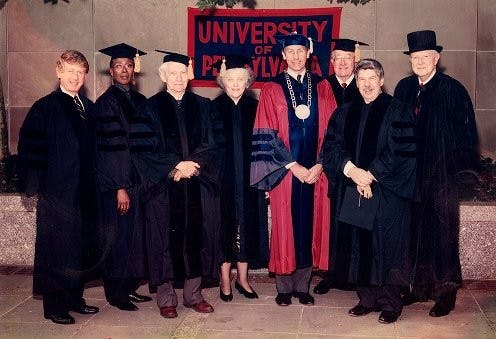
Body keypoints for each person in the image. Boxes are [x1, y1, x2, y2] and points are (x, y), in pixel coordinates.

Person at [322, 58, 416, 324]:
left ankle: (390, 303)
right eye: (361, 79)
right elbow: (331, 148)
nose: (366, 84)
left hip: (386, 191)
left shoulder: (398, 110)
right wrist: (352, 171)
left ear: (381, 81)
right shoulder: (345, 112)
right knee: (358, 243)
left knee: (385, 246)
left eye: (371, 78)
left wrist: (370, 174)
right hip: (355, 188)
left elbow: (400, 151)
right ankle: (366, 299)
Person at [394, 30, 479, 317]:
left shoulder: (453, 90)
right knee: (415, 233)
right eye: (415, 57)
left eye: (425, 57)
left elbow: (468, 136)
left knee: (443, 233)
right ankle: (419, 288)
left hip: (442, 175)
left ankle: (445, 292)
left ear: (436, 58)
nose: (419, 62)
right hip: (411, 176)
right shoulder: (404, 88)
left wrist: (462, 175)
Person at [250, 32, 336, 306]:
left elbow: (334, 131)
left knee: (311, 226)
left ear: (308, 54)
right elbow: (265, 131)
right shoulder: (271, 87)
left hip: (316, 173)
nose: (297, 56)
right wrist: (294, 165)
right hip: (285, 172)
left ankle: (303, 286)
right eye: (291, 52)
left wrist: (321, 163)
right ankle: (284, 287)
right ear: (283, 56)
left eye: (301, 51)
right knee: (285, 226)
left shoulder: (322, 86)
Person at [17, 50, 99, 324]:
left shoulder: (89, 107)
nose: (75, 76)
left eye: (80, 72)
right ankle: (54, 306)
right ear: (58, 72)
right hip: (57, 192)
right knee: (57, 248)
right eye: (70, 71)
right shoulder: (45, 108)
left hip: (84, 191)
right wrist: (34, 184)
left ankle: (75, 298)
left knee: (79, 247)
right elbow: (30, 147)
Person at [141, 51, 221, 318]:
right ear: (163, 76)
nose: (178, 79)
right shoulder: (149, 108)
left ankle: (193, 295)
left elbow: (211, 143)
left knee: (196, 237)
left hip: (196, 182)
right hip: (165, 186)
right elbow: (144, 150)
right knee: (163, 238)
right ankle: (166, 298)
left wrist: (192, 165)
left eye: (182, 73)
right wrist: (175, 167)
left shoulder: (203, 105)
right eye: (172, 74)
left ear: (189, 75)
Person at [94, 43, 153, 311]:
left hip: (139, 181)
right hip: (120, 183)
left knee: (135, 238)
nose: (124, 70)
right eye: (118, 66)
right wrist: (120, 187)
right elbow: (110, 150)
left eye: (128, 65)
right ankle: (115, 294)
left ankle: (129, 288)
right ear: (111, 70)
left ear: (134, 69)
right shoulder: (106, 103)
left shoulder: (140, 101)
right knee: (118, 238)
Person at [212, 55, 269, 302]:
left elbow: (267, 146)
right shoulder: (212, 109)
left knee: (246, 227)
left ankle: (243, 280)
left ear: (248, 83)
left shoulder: (256, 109)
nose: (235, 84)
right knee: (223, 227)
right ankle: (225, 280)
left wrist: (265, 180)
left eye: (240, 80)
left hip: (249, 180)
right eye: (230, 79)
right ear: (223, 82)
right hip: (221, 181)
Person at [315, 38, 368, 295]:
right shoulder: (320, 88)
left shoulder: (365, 87)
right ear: (331, 62)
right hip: (331, 167)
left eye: (348, 58)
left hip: (358, 167)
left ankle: (357, 274)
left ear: (355, 60)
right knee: (332, 221)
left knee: (357, 220)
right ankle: (332, 273)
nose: (344, 63)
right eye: (338, 58)